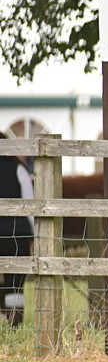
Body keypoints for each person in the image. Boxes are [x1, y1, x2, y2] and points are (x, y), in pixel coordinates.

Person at [1, 136, 33, 327]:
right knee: (15, 280)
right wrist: (36, 234)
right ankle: (14, 325)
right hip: (16, 234)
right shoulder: (18, 168)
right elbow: (29, 205)